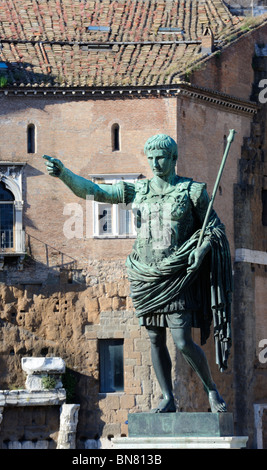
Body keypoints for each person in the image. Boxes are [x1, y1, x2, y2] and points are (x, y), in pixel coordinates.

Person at [43, 134, 232, 413]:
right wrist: (64, 174)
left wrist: (202, 249)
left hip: (177, 273)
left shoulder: (192, 191)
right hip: (144, 274)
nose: (156, 163)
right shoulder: (138, 190)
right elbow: (95, 192)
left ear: (174, 159)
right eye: (151, 158)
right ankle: (167, 397)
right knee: (154, 337)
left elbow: (215, 229)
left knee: (182, 341)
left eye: (162, 158)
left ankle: (211, 390)